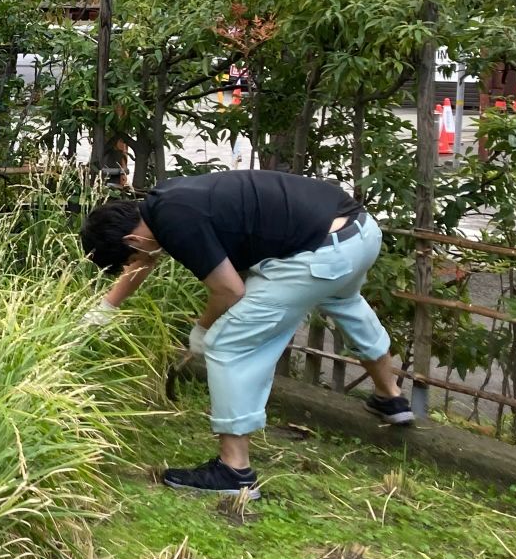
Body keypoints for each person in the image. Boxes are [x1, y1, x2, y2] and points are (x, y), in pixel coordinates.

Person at [81, 169, 411, 499]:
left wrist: (202, 329)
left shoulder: (174, 222)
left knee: (227, 344)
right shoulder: (163, 202)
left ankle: (233, 470)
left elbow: (229, 291)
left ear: (132, 241)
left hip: (317, 255)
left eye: (132, 257)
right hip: (359, 235)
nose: (139, 262)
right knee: (344, 299)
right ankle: (390, 397)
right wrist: (106, 309)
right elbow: (144, 260)